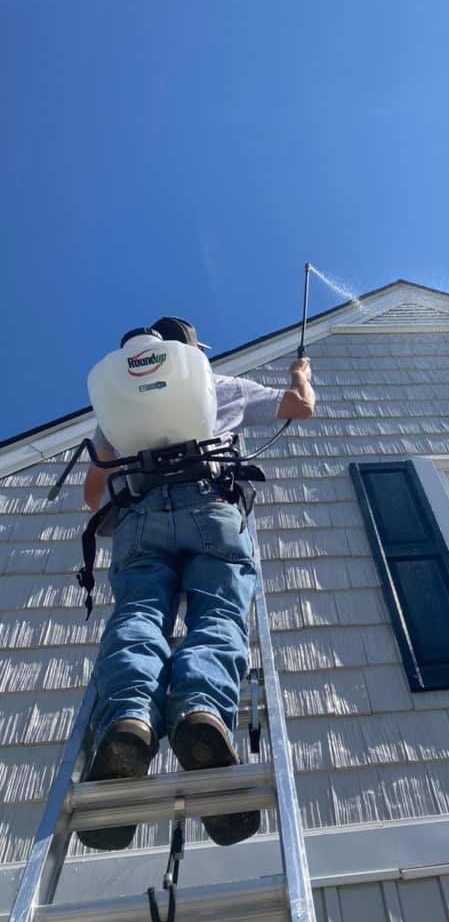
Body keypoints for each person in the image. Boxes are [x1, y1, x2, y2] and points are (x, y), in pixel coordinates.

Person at [80, 316, 315, 851]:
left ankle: (130, 719)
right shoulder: (217, 385)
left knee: (138, 616)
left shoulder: (116, 406)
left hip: (139, 519)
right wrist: (301, 375)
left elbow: (94, 495)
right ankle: (202, 711)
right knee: (217, 614)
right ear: (192, 351)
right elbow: (301, 408)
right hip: (211, 506)